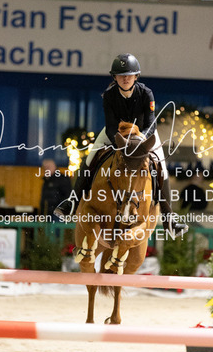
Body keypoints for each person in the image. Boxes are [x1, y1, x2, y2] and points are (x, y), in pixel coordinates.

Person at [54, 54, 188, 238]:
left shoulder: (146, 93)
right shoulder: (109, 95)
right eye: (121, 75)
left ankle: (169, 219)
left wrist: (140, 141)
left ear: (136, 76)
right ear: (115, 77)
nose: (126, 79)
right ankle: (72, 202)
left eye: (129, 75)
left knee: (161, 167)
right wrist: (120, 142)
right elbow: (110, 125)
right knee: (90, 158)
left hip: (144, 133)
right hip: (116, 134)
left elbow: (151, 123)